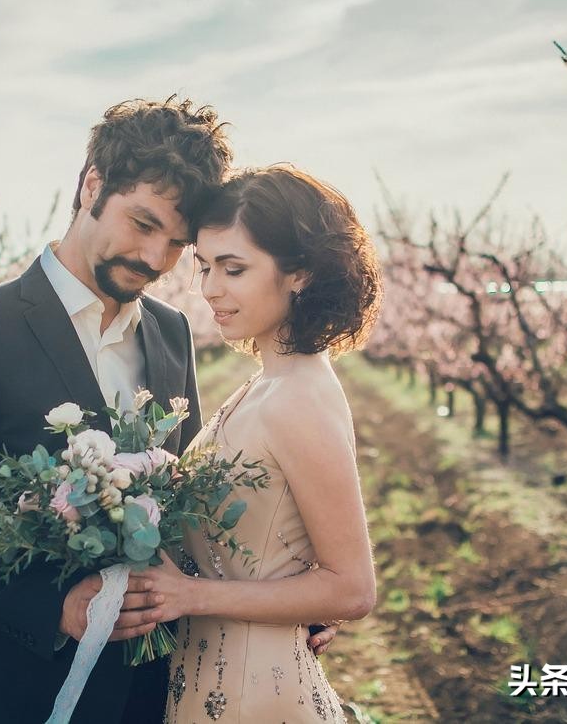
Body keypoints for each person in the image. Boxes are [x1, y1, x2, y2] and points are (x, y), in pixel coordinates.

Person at [0, 96, 231, 724]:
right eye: (142, 223)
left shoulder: (172, 331)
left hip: (155, 688)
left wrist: (276, 595)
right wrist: (56, 608)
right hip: (29, 690)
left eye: (176, 244)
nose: (155, 260)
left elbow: (185, 501)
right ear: (92, 185)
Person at [134, 165, 382, 723]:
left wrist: (188, 596)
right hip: (211, 683)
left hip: (256, 697)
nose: (211, 289)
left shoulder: (297, 397)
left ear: (299, 273)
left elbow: (352, 589)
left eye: (234, 268)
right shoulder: (266, 384)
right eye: (205, 267)